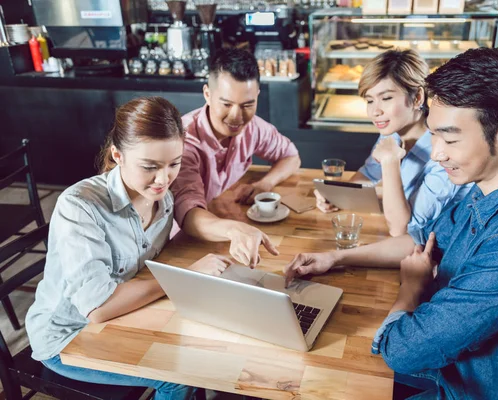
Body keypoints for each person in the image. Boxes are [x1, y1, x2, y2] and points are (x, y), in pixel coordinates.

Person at [285, 48, 498, 399]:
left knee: (322, 376)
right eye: (434, 135)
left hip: (472, 390)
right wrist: (335, 258)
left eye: (450, 138)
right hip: (454, 370)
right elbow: (422, 240)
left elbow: (401, 352)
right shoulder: (497, 184)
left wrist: (411, 289)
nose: (437, 152)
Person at [25, 97, 232, 400]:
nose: (164, 179)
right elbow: (98, 309)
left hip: (123, 318)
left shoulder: (163, 199)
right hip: (66, 338)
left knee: (208, 347)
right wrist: (185, 275)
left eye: (174, 164)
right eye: (150, 166)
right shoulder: (80, 206)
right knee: (177, 377)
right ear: (117, 155)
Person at [315, 49, 467, 238]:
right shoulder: (392, 133)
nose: (375, 111)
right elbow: (369, 173)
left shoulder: (444, 154)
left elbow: (401, 229)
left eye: (386, 98)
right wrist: (337, 196)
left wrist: (389, 161)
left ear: (418, 98)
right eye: (370, 100)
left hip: (437, 250)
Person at [171, 48, 301, 267]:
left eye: (247, 105)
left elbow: (291, 157)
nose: (236, 117)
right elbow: (188, 214)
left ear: (257, 95)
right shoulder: (183, 142)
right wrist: (235, 229)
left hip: (226, 233)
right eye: (227, 104)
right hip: (179, 245)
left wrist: (265, 183)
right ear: (207, 94)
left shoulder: (254, 128)